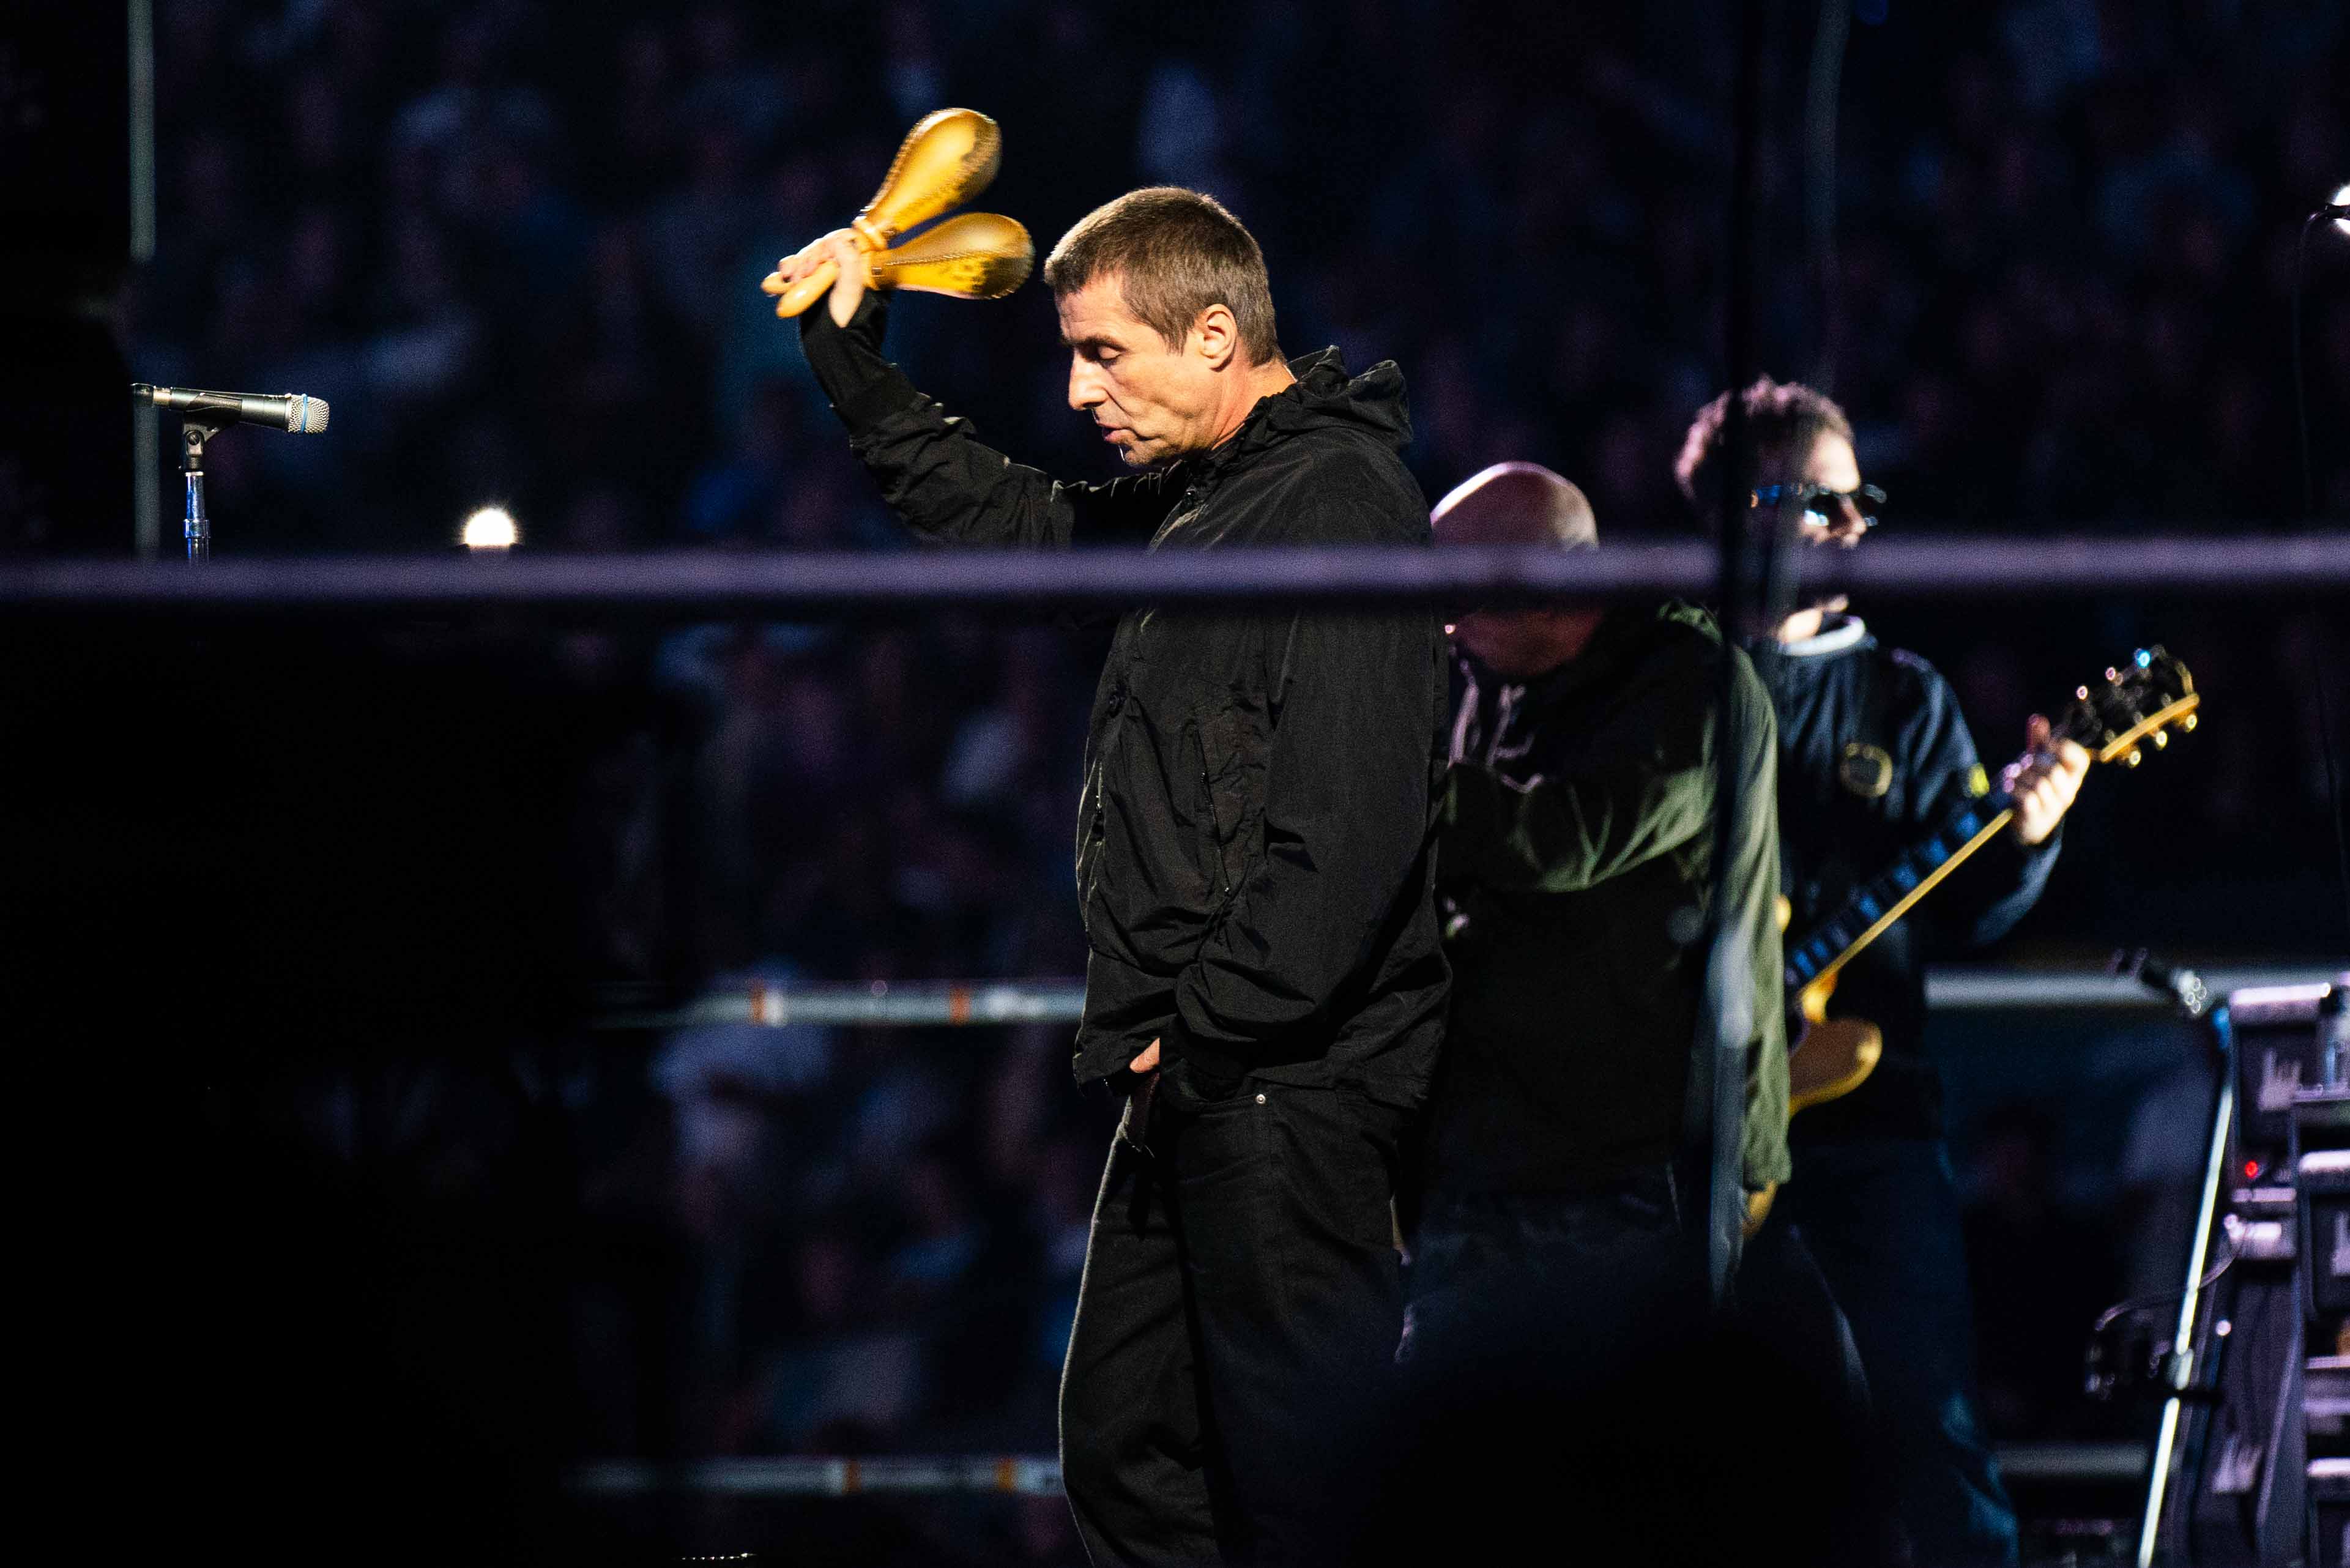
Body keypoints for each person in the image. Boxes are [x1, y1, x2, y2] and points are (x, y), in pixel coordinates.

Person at [773, 187, 1448, 1567]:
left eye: (1103, 354)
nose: (1080, 392)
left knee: (1302, 1482)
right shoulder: (1219, 494)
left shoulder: (1332, 505)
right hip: (1213, 1078)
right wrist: (853, 359)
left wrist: (1196, 1037)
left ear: (1214, 337)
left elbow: (1345, 836)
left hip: (1279, 1086)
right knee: (1130, 1447)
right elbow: (1017, 532)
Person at [1370, 463, 1886, 1564]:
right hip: (1503, 1151)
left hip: (1638, 1162)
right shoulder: (1496, 678)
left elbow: (1566, 841)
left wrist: (1383, 783)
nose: (1444, 625)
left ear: (1551, 589)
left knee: (1625, 1485)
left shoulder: (1692, 689)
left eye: (1461, 598)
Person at [1675, 379, 2089, 1567]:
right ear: (1740, 511)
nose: (1854, 524)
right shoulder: (1669, 677)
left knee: (1931, 1426)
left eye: (1861, 500)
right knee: (1686, 1439)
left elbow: (1965, 911)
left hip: (1870, 1121)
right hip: (1689, 1121)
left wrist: (2029, 834)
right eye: (1821, 500)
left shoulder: (1905, 696)